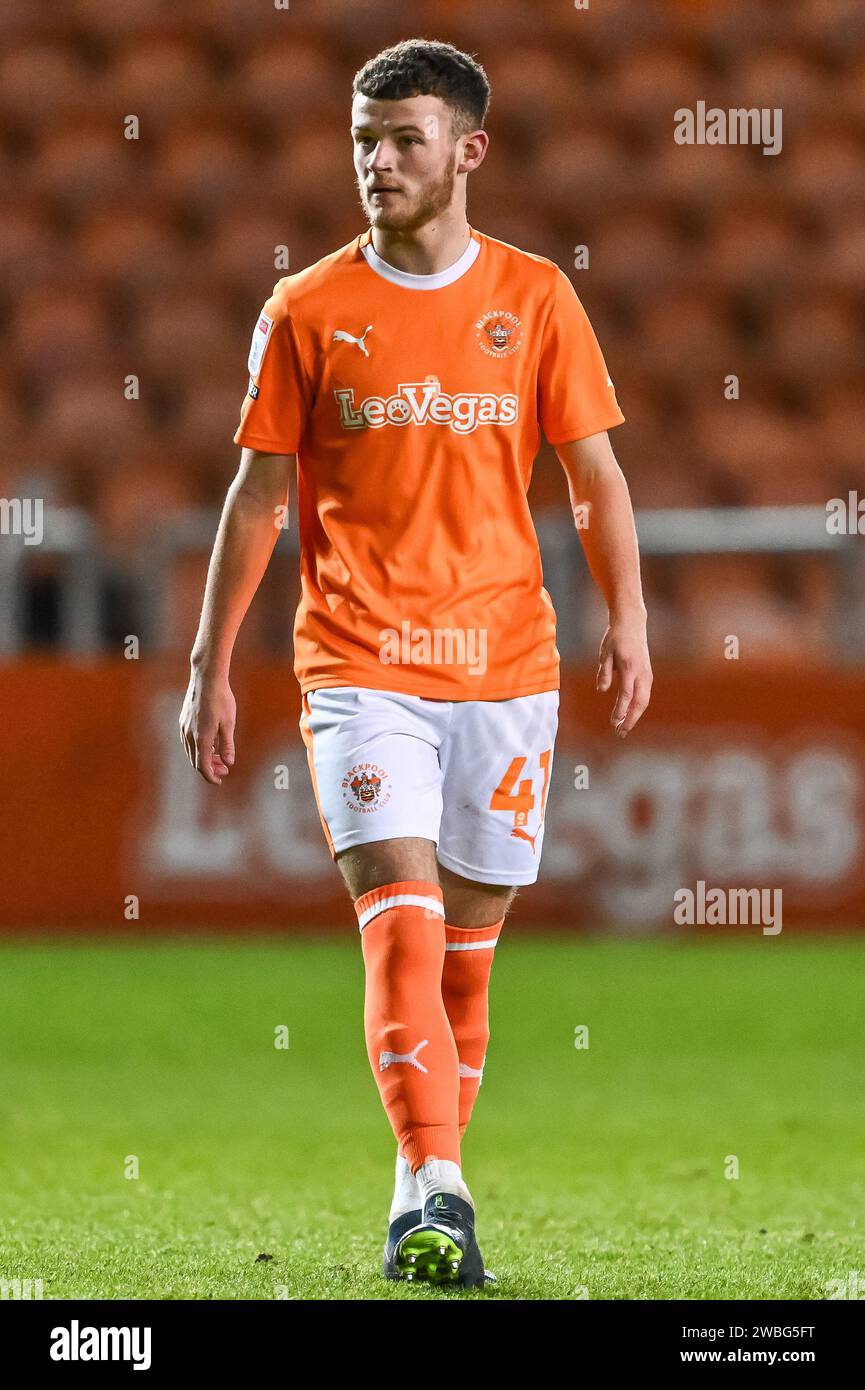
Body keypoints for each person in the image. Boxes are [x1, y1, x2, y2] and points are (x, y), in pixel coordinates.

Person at [179, 37, 652, 1289]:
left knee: (467, 955)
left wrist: (633, 620)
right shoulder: (307, 309)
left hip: (507, 664)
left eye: (403, 140)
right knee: (400, 919)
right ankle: (441, 1186)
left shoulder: (538, 297)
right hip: (359, 661)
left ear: (467, 150)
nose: (377, 162)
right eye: (363, 141)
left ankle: (418, 1184)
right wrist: (208, 663)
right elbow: (257, 497)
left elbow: (593, 475)